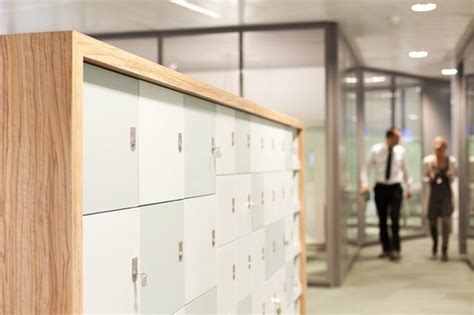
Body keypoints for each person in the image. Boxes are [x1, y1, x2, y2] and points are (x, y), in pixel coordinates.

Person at [360, 127, 412, 261]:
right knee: (382, 220)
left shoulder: (401, 151)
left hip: (395, 188)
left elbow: (406, 171)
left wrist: (409, 187)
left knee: (395, 218)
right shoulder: (376, 150)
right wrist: (365, 185)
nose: (399, 139)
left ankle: (396, 249)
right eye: (397, 137)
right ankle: (386, 248)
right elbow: (365, 169)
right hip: (381, 188)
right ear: (389, 137)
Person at [423, 137, 457, 262]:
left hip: (446, 195)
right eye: (436, 146)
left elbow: (454, 177)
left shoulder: (450, 161)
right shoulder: (428, 161)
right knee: (432, 223)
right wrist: (429, 176)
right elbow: (424, 178)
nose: (438, 148)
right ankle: (435, 244)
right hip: (433, 196)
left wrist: (450, 175)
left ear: (444, 147)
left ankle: (444, 248)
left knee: (445, 222)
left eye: (441, 146)